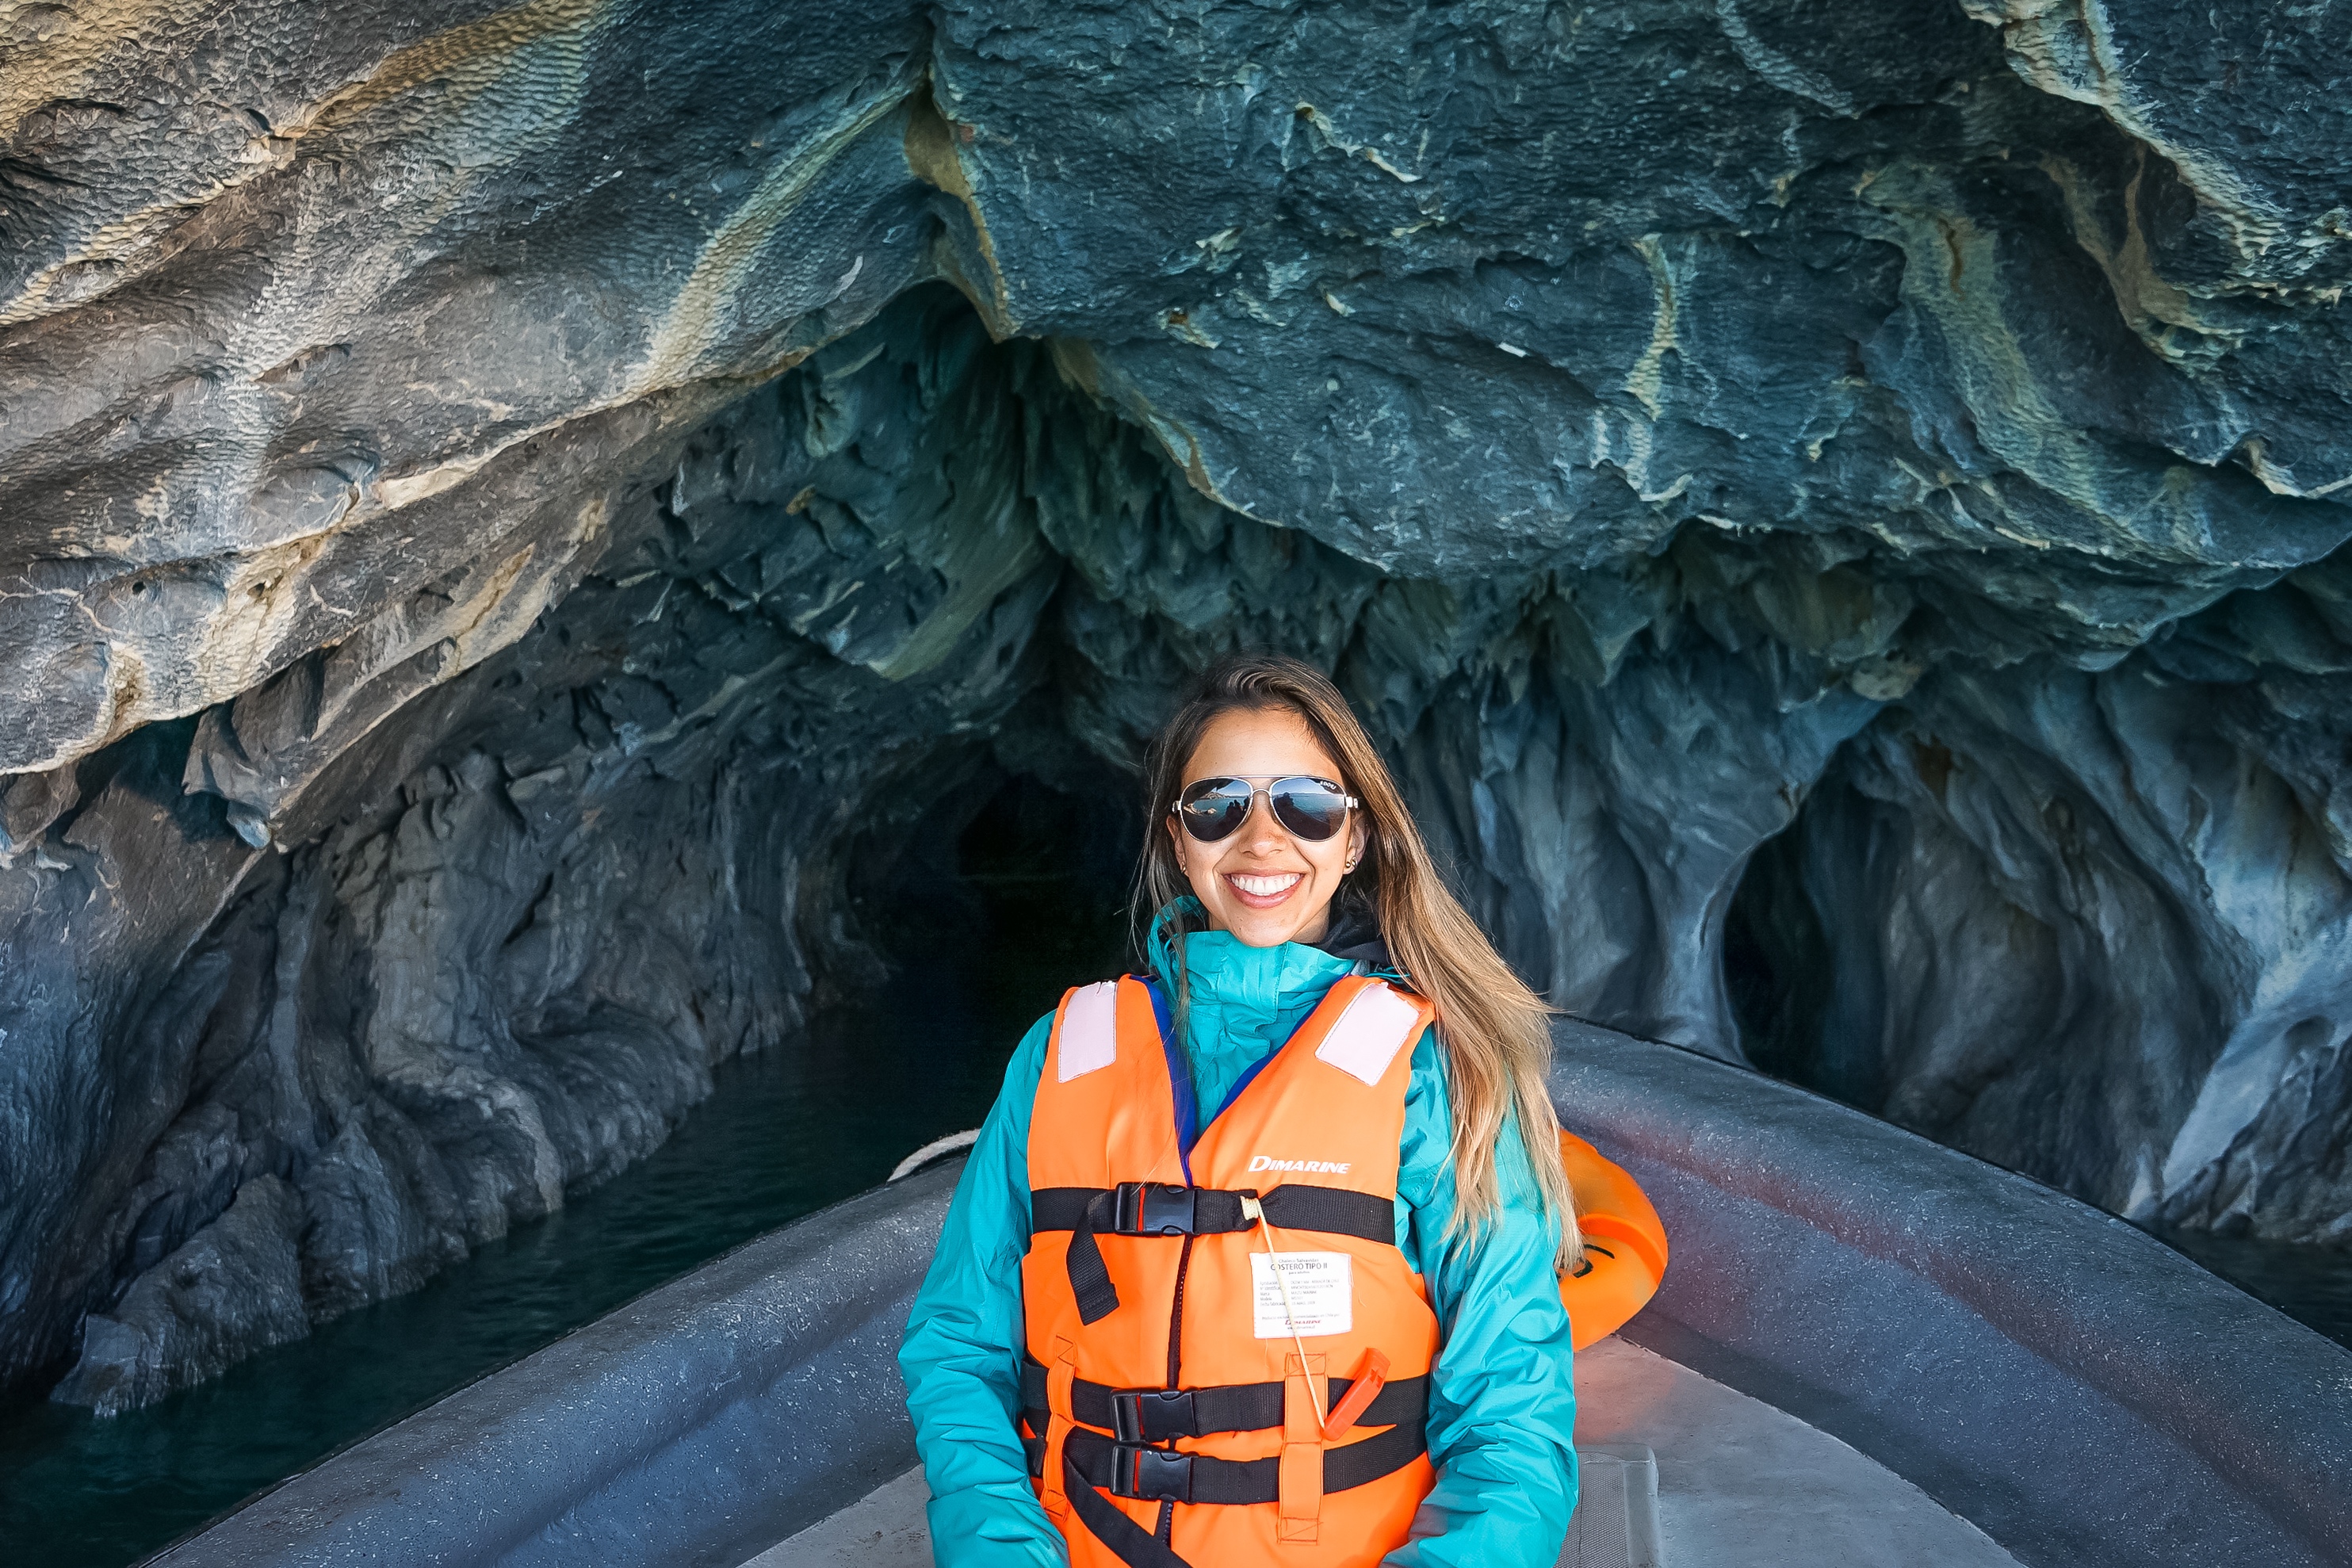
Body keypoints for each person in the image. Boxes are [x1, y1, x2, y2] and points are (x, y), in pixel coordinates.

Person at [898, 653, 1578, 1567]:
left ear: (1356, 837)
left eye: (1306, 804)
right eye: (1220, 806)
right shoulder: (1056, 1056)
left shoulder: (1436, 1071)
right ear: (1179, 841)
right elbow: (959, 1344)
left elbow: (1512, 1403)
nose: (1262, 840)